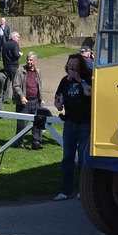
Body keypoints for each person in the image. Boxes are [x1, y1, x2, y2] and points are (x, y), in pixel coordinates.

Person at [53, 54, 93, 200]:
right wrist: (58, 103)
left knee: (83, 159)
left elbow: (91, 93)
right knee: (67, 158)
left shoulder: (88, 78)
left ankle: (83, 190)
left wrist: (79, 80)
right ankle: (65, 191)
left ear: (80, 66)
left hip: (85, 124)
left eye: (74, 65)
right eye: (69, 65)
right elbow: (57, 97)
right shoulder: (65, 81)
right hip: (70, 123)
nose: (71, 68)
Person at [13, 51, 44, 148]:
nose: (28, 61)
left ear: (35, 61)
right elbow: (16, 85)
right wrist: (22, 96)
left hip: (35, 101)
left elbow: (39, 86)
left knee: (37, 123)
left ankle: (36, 142)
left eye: (31, 60)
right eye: (27, 59)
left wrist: (41, 99)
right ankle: (19, 143)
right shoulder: (20, 70)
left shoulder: (38, 71)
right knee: (22, 123)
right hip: (24, 102)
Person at [1, 31, 21, 104]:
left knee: (7, 82)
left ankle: (5, 98)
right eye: (18, 37)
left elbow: (2, 54)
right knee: (15, 82)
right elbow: (16, 55)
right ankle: (14, 98)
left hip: (6, 65)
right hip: (13, 65)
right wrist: (20, 54)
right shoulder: (15, 44)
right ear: (14, 37)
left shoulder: (5, 44)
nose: (19, 38)